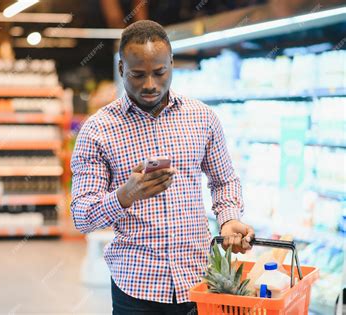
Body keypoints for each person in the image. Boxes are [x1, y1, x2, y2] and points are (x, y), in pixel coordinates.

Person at [70, 20, 255, 315]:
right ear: (121, 70)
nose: (150, 85)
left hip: (196, 279)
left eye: (159, 72)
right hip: (135, 286)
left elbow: (224, 181)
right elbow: (81, 216)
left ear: (171, 63)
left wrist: (228, 219)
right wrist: (124, 196)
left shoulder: (202, 118)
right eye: (137, 75)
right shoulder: (97, 130)